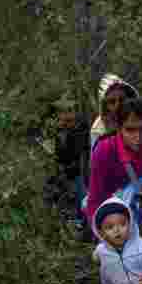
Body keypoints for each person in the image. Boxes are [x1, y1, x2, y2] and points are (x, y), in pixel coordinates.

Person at [85, 96, 142, 234]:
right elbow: (96, 197)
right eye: (130, 129)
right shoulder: (104, 150)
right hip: (115, 203)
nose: (138, 136)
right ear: (119, 128)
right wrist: (101, 234)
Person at [51, 96, 87, 224]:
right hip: (66, 170)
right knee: (72, 193)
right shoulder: (60, 130)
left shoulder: (80, 127)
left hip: (78, 169)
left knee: (81, 193)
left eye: (68, 110)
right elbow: (59, 152)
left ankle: (83, 219)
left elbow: (78, 149)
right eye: (62, 111)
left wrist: (67, 132)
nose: (65, 114)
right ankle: (78, 217)